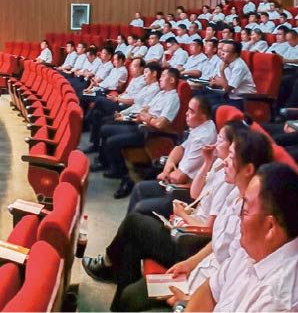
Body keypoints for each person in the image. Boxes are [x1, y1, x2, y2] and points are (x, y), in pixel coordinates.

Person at [84, 126, 269, 311]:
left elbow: (229, 271)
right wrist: (190, 263)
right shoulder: (234, 195)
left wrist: (191, 299)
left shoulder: (252, 219)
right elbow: (217, 241)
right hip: (199, 268)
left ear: (248, 169)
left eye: (231, 156)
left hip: (200, 270)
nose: (226, 161)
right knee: (131, 258)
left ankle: (109, 264)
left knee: (134, 225)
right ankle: (115, 285)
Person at [173, 163, 298, 313]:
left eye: (245, 211)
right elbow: (210, 291)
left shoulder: (277, 301)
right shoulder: (254, 249)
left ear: (270, 226)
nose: (239, 217)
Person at [125, 96, 217, 216]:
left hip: (183, 193)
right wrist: (169, 166)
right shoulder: (201, 127)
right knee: (139, 188)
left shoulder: (203, 138)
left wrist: (167, 173)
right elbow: (179, 148)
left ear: (203, 116)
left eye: (191, 111)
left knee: (140, 206)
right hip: (175, 183)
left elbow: (180, 177)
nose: (186, 113)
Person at [100, 67, 183, 198]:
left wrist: (148, 118)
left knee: (112, 142)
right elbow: (144, 109)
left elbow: (161, 124)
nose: (160, 78)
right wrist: (148, 116)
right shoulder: (161, 94)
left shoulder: (173, 98)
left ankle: (126, 179)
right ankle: (115, 168)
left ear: (172, 80)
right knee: (106, 129)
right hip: (140, 125)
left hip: (149, 133)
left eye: (163, 76)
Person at [86, 58, 153, 151]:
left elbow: (133, 101)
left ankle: (86, 120)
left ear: (141, 68)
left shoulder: (143, 81)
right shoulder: (134, 78)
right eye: (131, 66)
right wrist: (117, 96)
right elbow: (126, 92)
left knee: (99, 100)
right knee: (96, 113)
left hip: (124, 106)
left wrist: (117, 99)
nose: (131, 68)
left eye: (134, 66)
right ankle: (95, 145)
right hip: (120, 101)